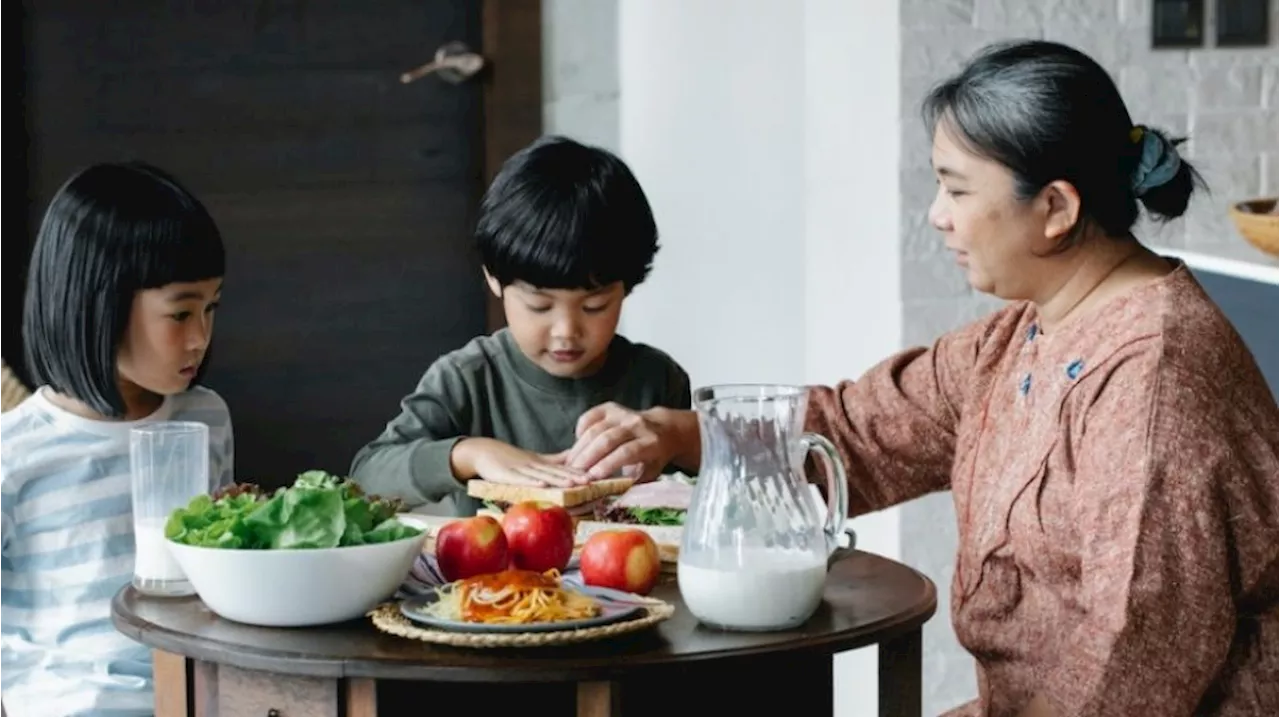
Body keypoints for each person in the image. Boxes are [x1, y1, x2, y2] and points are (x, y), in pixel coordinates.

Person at [560, 40, 1280, 716]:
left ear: (1056, 208)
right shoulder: (1025, 332)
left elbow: (1129, 676)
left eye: (957, 190)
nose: (937, 217)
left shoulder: (1151, 383)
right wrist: (677, 434)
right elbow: (862, 431)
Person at [0, 162, 234, 717]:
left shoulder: (208, 418)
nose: (200, 336)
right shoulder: (17, 451)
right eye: (180, 313)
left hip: (203, 693)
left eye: (211, 308)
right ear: (98, 303)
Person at [350, 135, 690, 516]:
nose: (565, 330)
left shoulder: (655, 379)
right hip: (491, 576)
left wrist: (679, 436)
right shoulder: (468, 379)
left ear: (627, 286)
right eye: (539, 306)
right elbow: (367, 477)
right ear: (494, 279)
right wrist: (468, 454)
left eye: (594, 306)